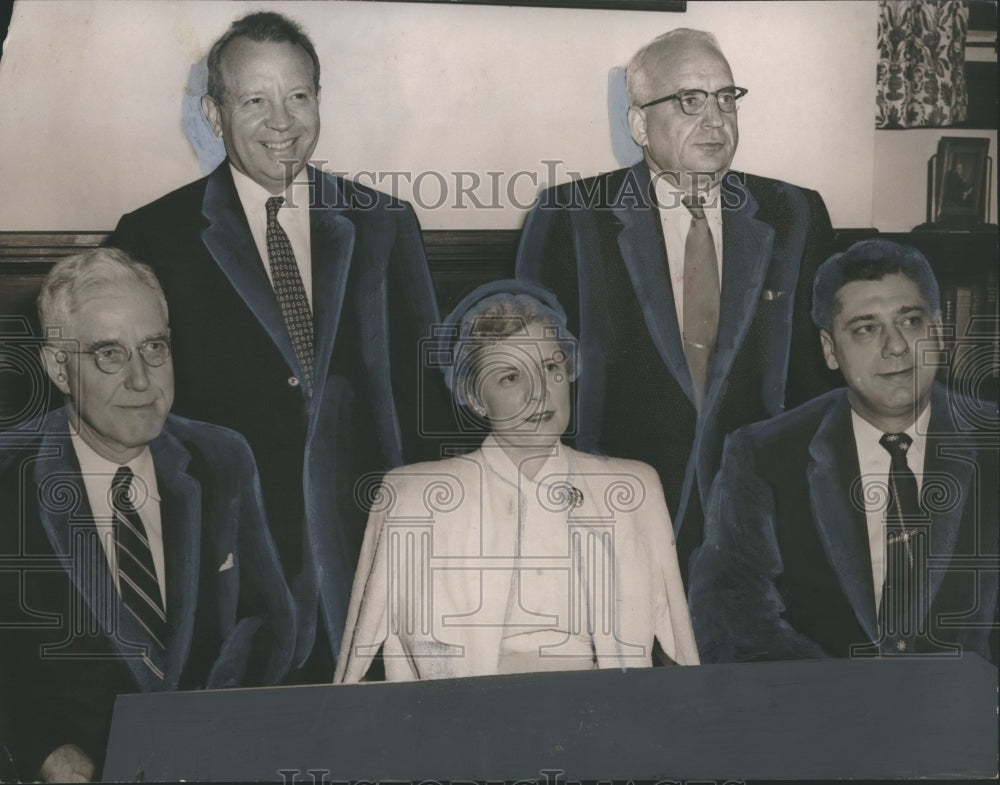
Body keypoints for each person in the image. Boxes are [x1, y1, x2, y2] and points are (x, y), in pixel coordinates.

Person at [105, 11, 443, 679]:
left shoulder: (385, 224)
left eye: (299, 96)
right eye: (254, 99)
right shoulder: (152, 237)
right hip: (232, 575)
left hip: (374, 560)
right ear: (212, 112)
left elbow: (429, 398)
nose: (281, 120)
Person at [515, 28, 835, 579]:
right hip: (612, 520)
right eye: (690, 100)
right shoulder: (571, 216)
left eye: (727, 98)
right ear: (639, 123)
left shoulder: (794, 213)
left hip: (765, 522)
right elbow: (531, 382)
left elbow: (821, 380)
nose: (715, 120)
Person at [0, 248, 294, 782]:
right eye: (109, 354)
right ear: (57, 368)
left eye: (154, 347)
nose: (142, 380)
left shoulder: (221, 456)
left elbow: (267, 619)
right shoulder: (7, 474)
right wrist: (45, 753)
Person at [334, 281, 699, 683]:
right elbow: (356, 656)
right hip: (468, 718)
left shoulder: (635, 486)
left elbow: (680, 643)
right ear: (475, 397)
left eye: (550, 367)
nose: (540, 393)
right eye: (510, 376)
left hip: (604, 712)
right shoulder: (412, 496)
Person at [688, 239, 998, 663]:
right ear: (830, 349)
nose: (895, 346)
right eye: (866, 328)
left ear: (939, 331)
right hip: (822, 710)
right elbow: (730, 617)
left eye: (910, 321)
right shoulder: (762, 455)